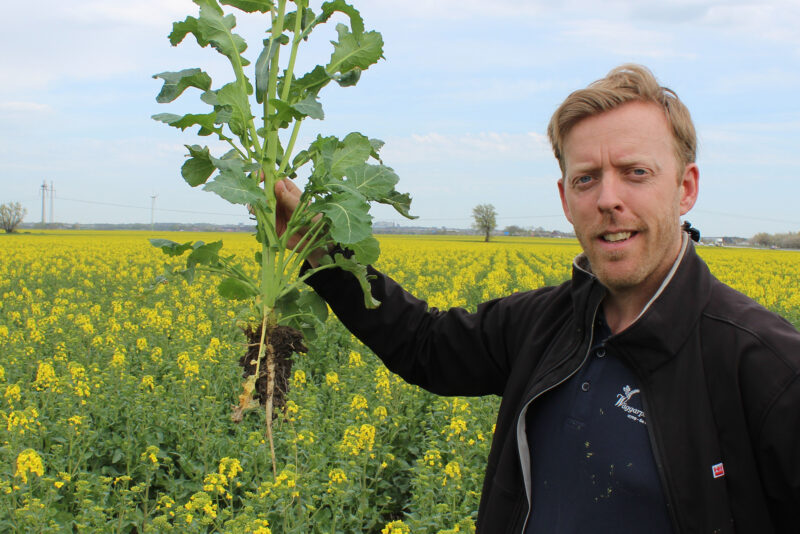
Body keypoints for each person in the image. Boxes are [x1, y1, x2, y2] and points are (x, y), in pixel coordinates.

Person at [275, 64, 800, 533]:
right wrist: (323, 252)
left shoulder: (767, 367)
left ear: (685, 188)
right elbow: (425, 344)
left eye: (636, 173)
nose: (608, 199)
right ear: (565, 200)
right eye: (586, 179)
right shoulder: (544, 324)